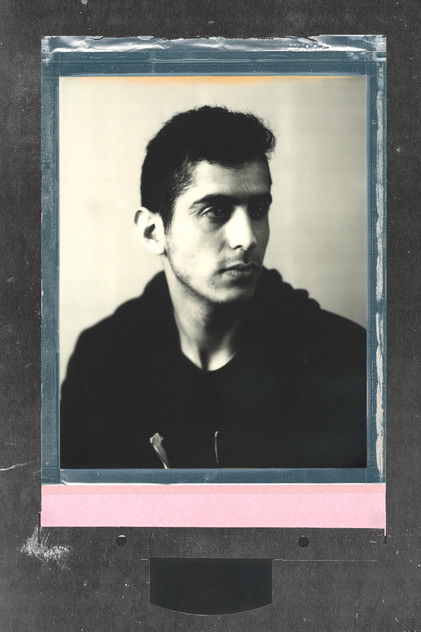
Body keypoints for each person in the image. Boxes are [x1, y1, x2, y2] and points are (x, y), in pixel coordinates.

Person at [60, 106, 366, 469]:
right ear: (153, 232)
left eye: (258, 209)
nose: (247, 239)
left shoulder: (344, 359)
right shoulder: (101, 363)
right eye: (215, 211)